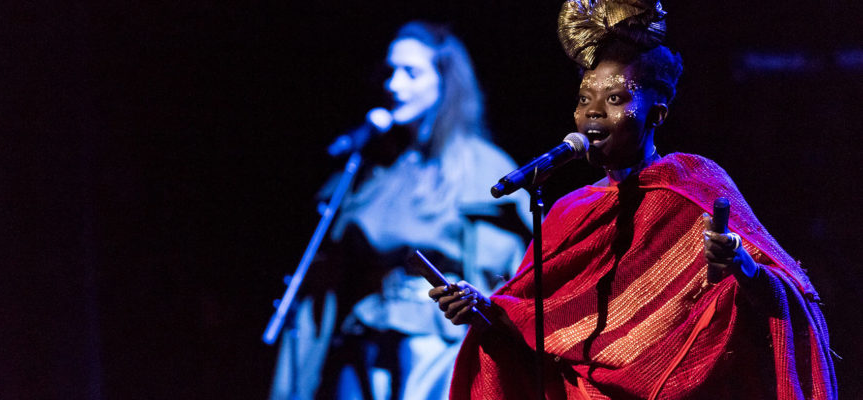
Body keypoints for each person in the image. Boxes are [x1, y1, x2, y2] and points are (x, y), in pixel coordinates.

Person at [430, 1, 837, 399]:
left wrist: (742, 266)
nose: (593, 113)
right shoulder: (567, 212)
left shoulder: (693, 185)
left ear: (656, 114)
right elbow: (534, 322)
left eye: (616, 99)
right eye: (584, 99)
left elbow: (790, 299)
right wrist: (483, 310)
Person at [269, 21, 531, 400]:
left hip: (435, 349)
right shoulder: (376, 169)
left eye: (411, 73)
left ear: (444, 83)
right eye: (391, 71)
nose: (393, 85)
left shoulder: (482, 167)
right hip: (365, 337)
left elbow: (506, 275)